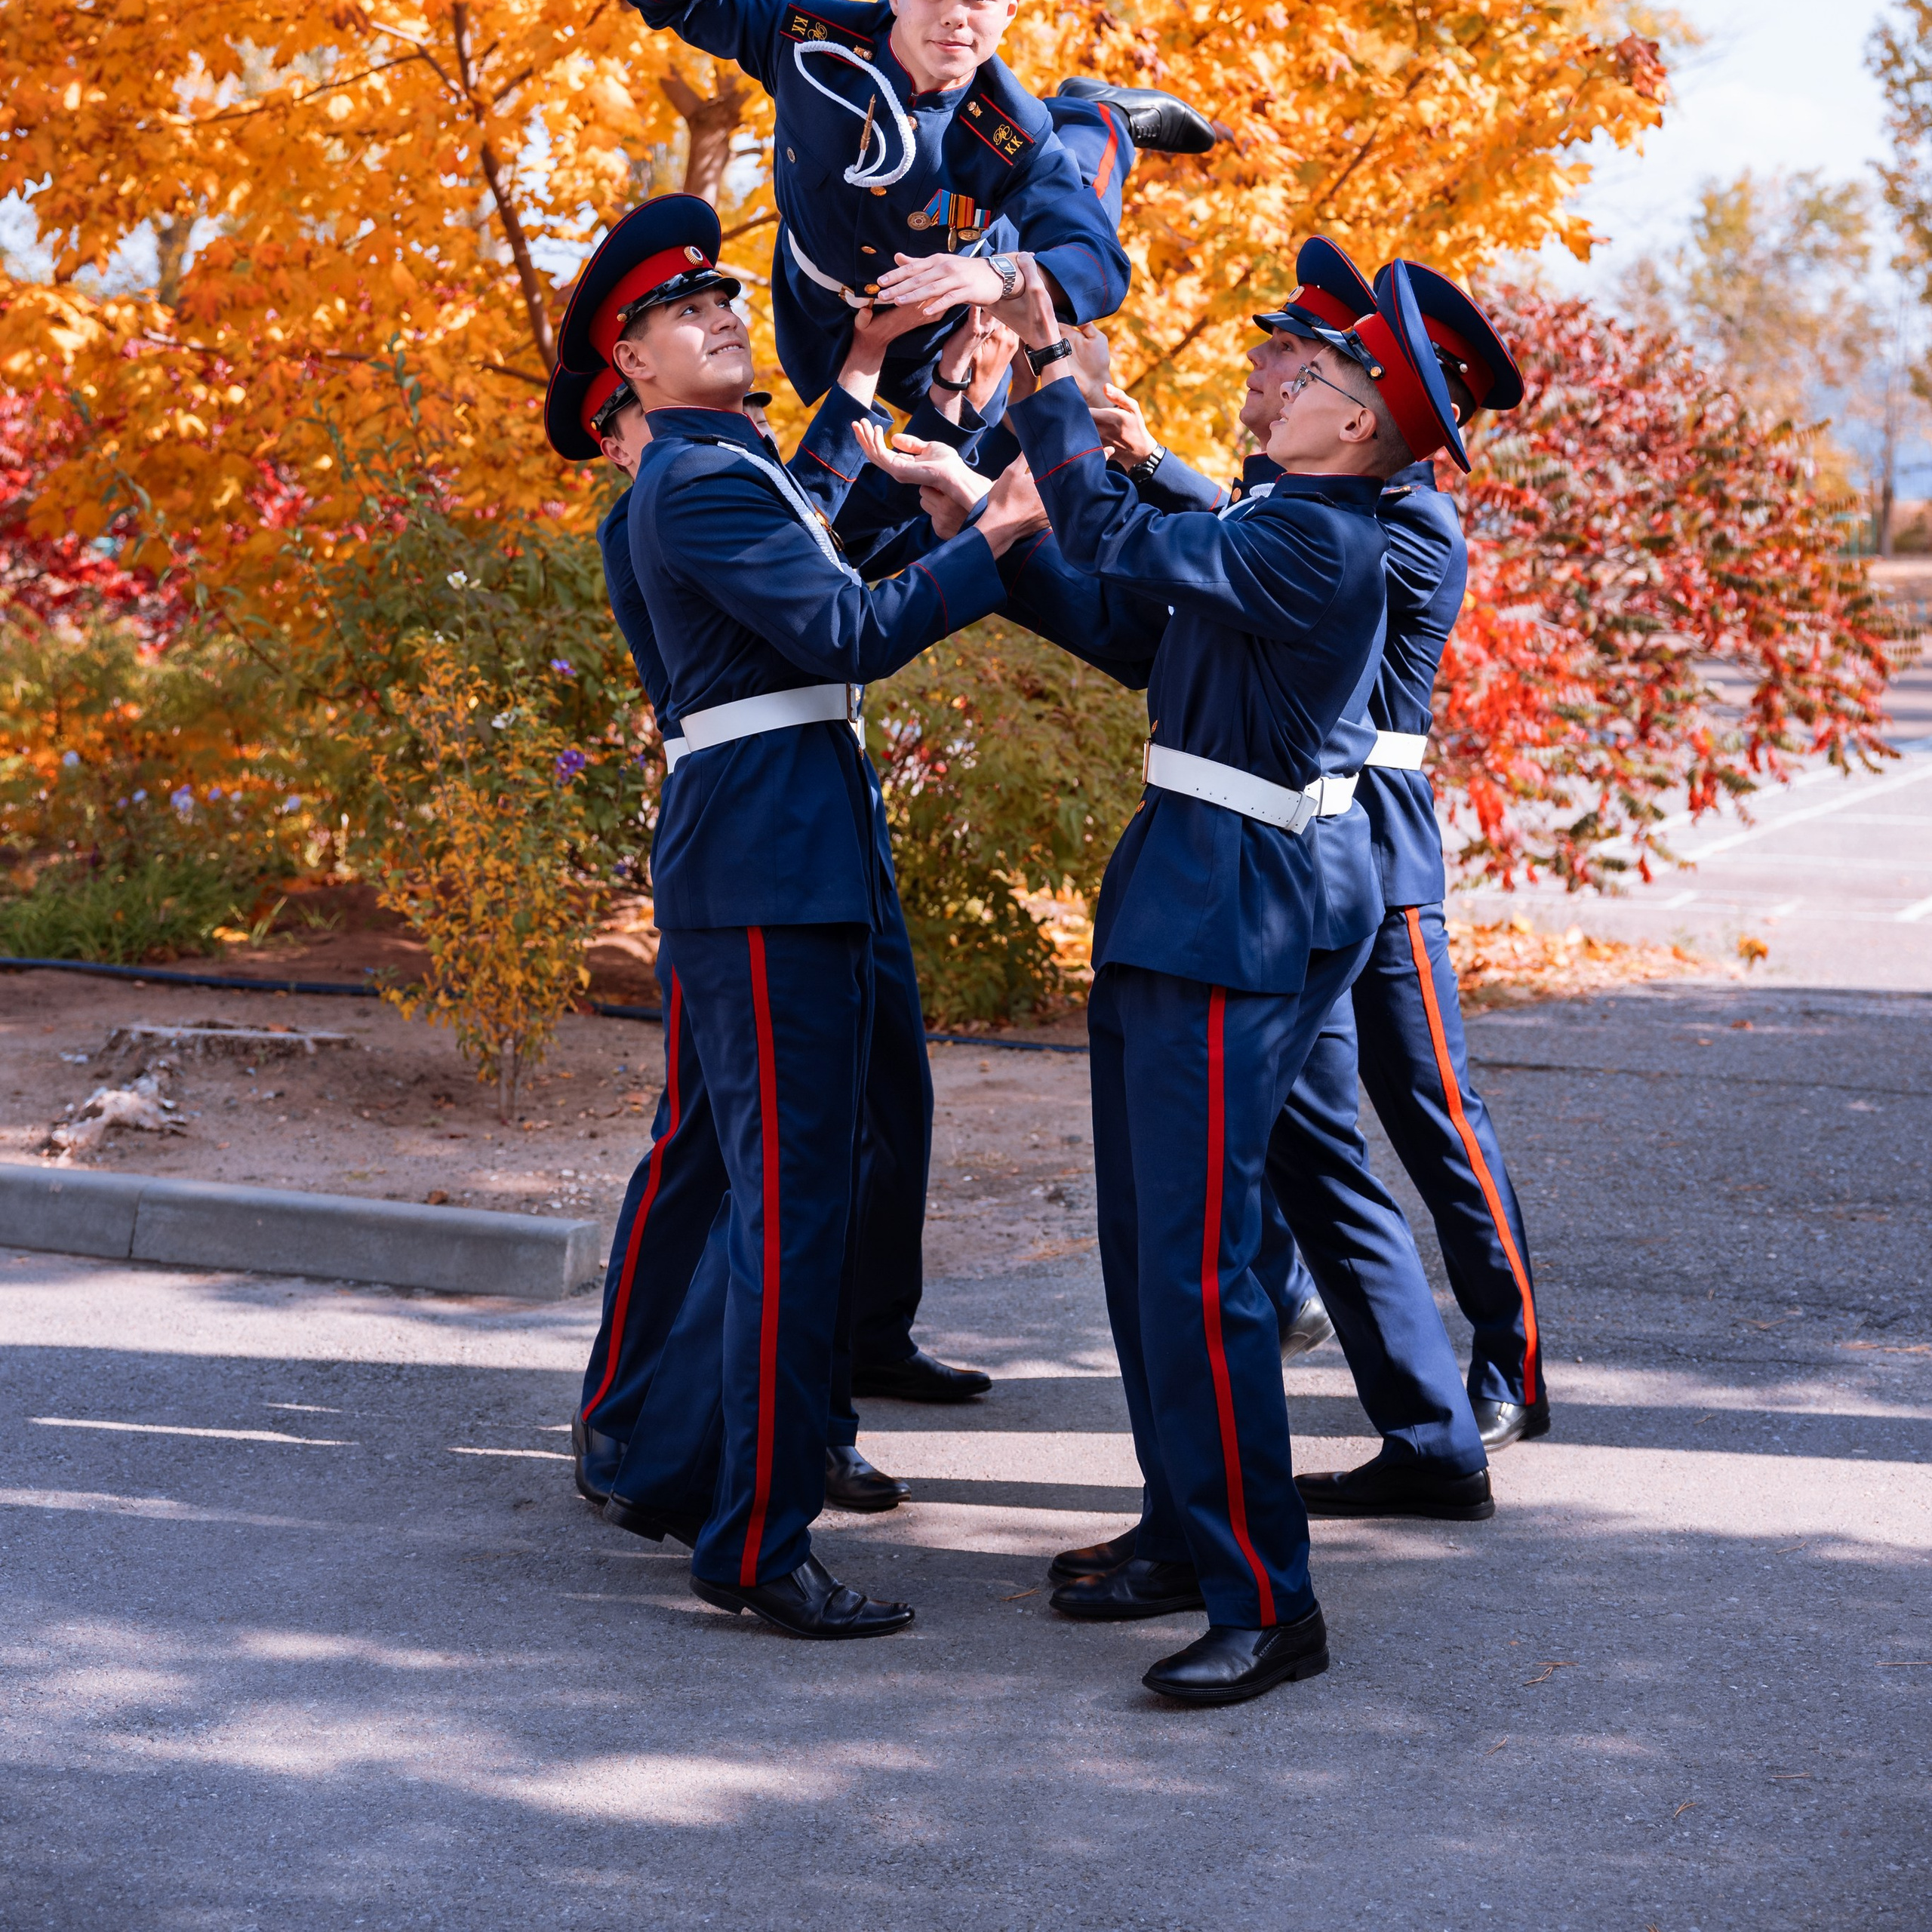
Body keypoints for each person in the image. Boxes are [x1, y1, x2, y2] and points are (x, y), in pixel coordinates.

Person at [992, 251, 1479, 1707]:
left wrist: (1049, 363)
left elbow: (1101, 514)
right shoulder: (1277, 521)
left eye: (1316, 377)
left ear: (1361, 431)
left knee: (1206, 1272)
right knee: (1154, 1254)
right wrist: (988, 533)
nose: (1287, 384)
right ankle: (1183, 1528)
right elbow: (1129, 627)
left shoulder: (1330, 541)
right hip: (1183, 895)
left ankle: (1271, 1601)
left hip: (1237, 915)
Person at [589, 223, 1039, 1640]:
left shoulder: (730, 472)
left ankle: (676, 1467)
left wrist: (864, 373)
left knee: (764, 1192)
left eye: (726, 297)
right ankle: (757, 1541)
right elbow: (847, 631)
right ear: (631, 364)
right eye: (686, 311)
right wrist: (1007, 537)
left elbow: (833, 518)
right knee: (792, 1213)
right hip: (772, 867)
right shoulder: (693, 486)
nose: (723, 315)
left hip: (790, 851)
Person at [1086, 239, 1549, 1471]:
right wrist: (1157, 463)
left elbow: (1254, 559)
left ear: (1392, 402)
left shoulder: (1400, 523)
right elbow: (1241, 539)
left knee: (1435, 1113)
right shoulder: (1330, 501)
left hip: (1362, 840)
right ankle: (1409, 1408)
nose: (1278, 373)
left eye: (1311, 360)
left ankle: (1510, 1356)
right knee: (1316, 1137)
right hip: (1320, 843)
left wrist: (1138, 468)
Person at [608, 0, 1216, 411]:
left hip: (945, 325)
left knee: (994, 457)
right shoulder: (808, 40)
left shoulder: (1014, 129)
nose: (955, 14)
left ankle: (1098, 116)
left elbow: (1099, 265)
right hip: (817, 310)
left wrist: (997, 277)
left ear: (1010, 12)